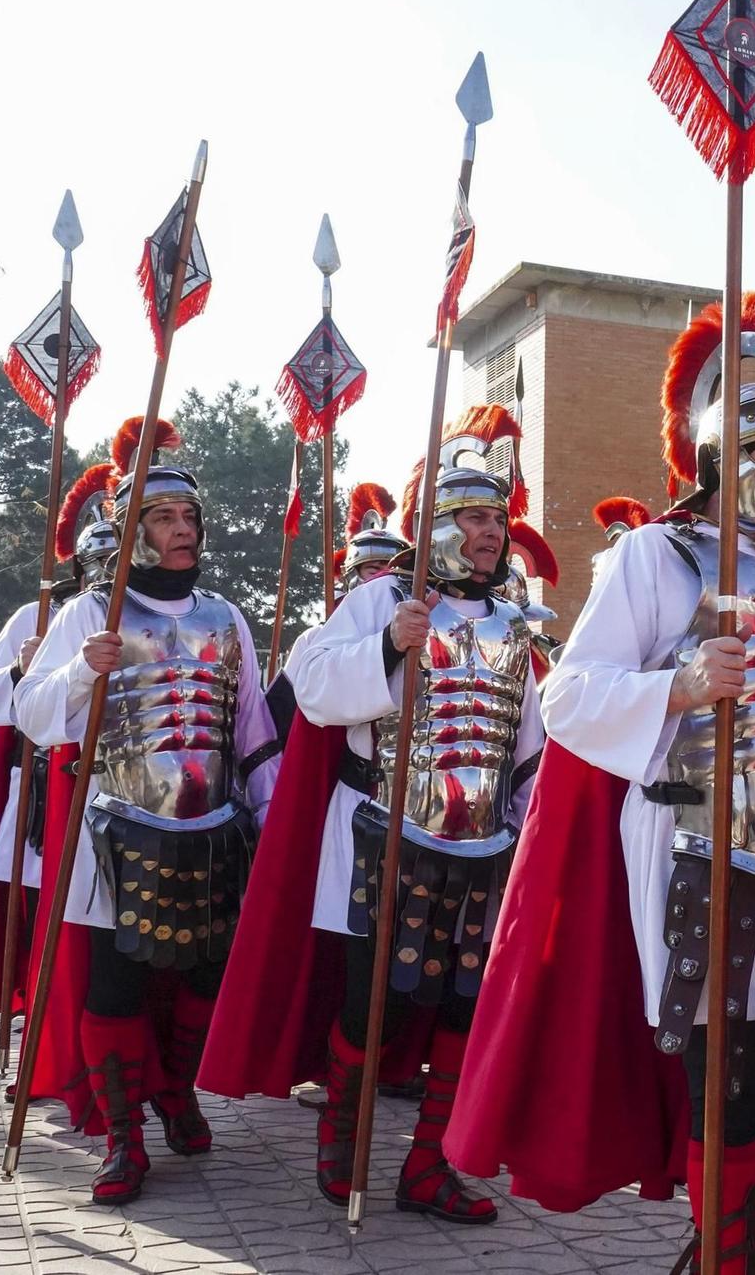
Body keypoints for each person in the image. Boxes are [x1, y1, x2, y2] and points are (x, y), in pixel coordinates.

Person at [444, 292, 755, 1273]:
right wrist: (676, 684)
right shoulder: (654, 557)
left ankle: (723, 1249)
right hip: (687, 842)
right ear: (726, 458)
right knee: (720, 1057)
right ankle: (725, 1257)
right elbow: (570, 698)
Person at [200, 406, 553, 1225]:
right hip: (381, 836)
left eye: (497, 518)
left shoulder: (511, 624)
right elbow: (311, 687)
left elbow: (526, 747)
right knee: (376, 1003)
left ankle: (429, 1164)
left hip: (481, 846)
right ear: (433, 526)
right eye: (472, 516)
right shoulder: (379, 601)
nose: (490, 531)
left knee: (460, 1010)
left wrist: (531, 833)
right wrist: (390, 645)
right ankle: (343, 1133)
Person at [15, 417, 277, 1206]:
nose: (182, 529)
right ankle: (124, 1137)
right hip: (118, 827)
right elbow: (33, 714)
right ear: (132, 528)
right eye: (164, 517)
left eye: (189, 518)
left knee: (201, 975)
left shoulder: (226, 617)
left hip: (211, 830)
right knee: (116, 985)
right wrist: (79, 676)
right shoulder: (90, 614)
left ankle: (177, 1091)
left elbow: (253, 729)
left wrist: (266, 824)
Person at [0, 460, 119, 1012]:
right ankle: (35, 1018)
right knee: (34, 908)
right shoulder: (38, 615)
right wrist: (23, 672)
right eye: (101, 563)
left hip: (122, 788)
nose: (109, 575)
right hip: (43, 784)